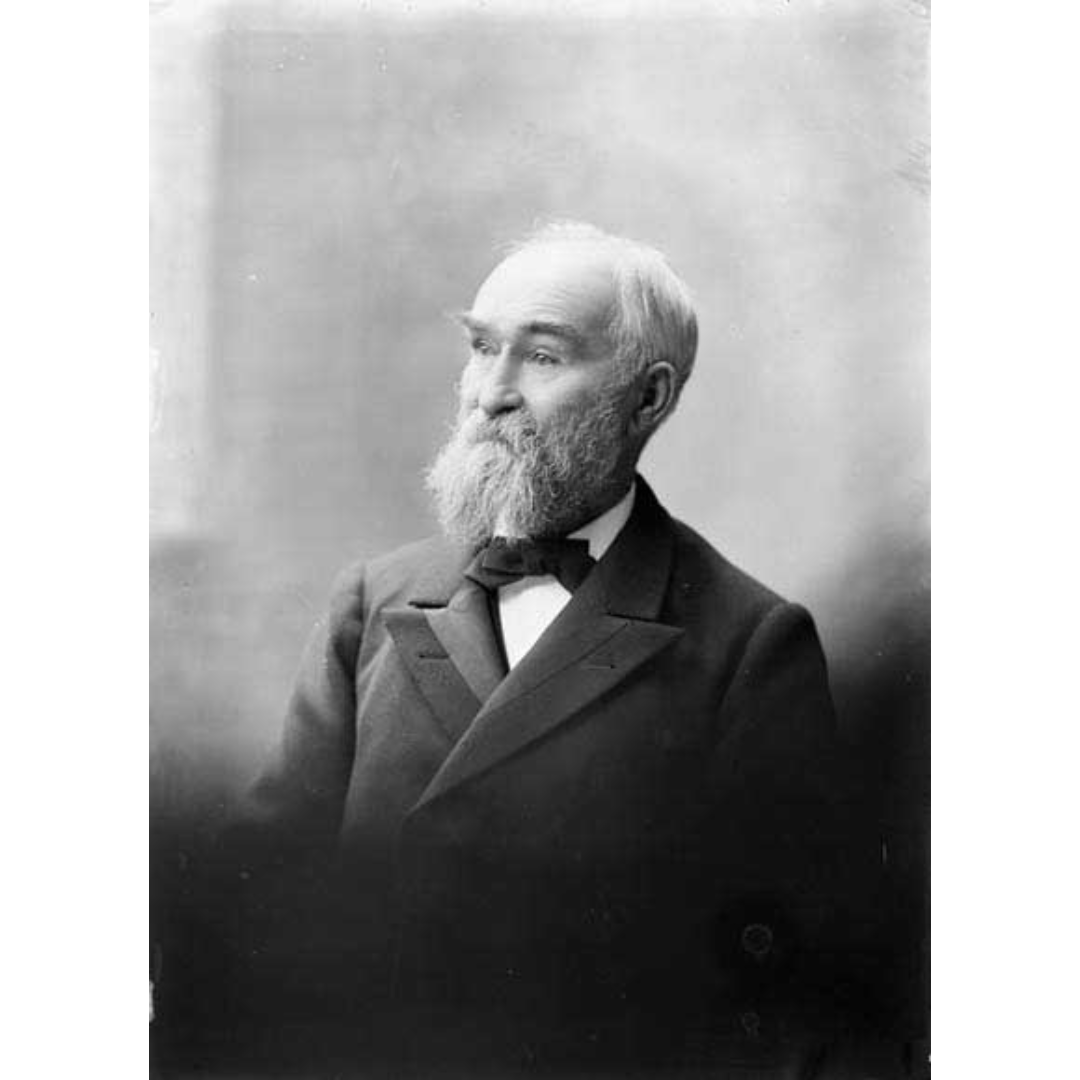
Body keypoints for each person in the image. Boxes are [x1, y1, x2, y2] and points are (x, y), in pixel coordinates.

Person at [229, 222, 876, 1077]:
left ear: (646, 399)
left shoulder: (749, 644)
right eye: (481, 348)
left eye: (541, 358)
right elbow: (262, 899)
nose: (489, 392)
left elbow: (790, 1001)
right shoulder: (374, 603)